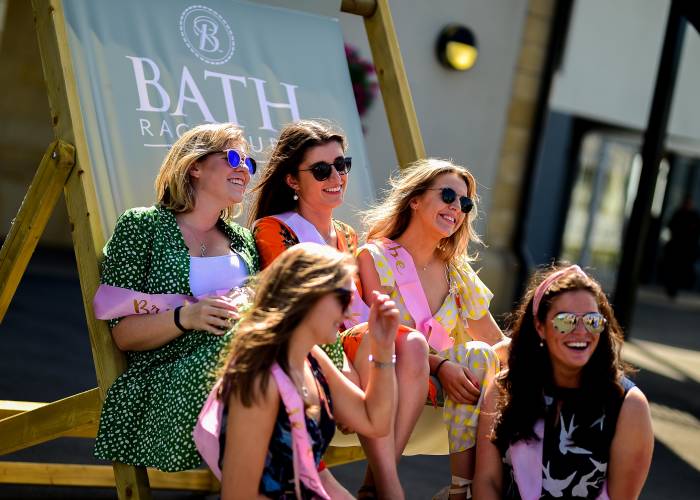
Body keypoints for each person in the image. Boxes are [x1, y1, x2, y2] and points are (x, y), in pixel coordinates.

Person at [93, 123, 260, 471]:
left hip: (242, 367)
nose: (244, 168)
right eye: (232, 157)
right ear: (194, 166)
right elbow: (123, 335)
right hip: (168, 379)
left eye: (249, 162)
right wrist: (187, 317)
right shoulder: (143, 226)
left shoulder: (244, 241)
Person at [343, 158, 508, 499]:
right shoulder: (375, 257)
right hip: (389, 369)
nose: (456, 208)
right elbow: (375, 333)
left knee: (480, 355)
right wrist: (440, 365)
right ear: (415, 199)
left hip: (446, 388)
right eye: (447, 195)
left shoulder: (457, 272)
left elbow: (496, 341)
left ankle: (460, 489)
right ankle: (375, 486)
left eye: (464, 203)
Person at [216, 243, 399, 499]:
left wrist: (383, 347)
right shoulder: (261, 376)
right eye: (344, 298)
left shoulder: (311, 358)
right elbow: (237, 494)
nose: (350, 311)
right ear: (310, 294)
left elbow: (374, 421)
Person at [248, 119, 366, 497]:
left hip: (350, 337)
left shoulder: (348, 235)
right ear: (292, 181)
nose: (336, 175)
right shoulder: (274, 228)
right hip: (316, 340)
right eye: (321, 169)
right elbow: (292, 305)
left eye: (341, 165)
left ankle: (377, 485)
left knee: (409, 347)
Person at [473, 264, 654, 499]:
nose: (581, 331)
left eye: (592, 320)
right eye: (566, 321)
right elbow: (487, 481)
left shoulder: (628, 406)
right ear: (540, 327)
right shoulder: (504, 390)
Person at [662, 196, 700, 298]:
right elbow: (671, 226)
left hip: (686, 249)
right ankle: (672, 288)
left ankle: (676, 287)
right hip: (677, 248)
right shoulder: (679, 214)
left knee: (680, 270)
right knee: (674, 269)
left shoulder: (693, 216)